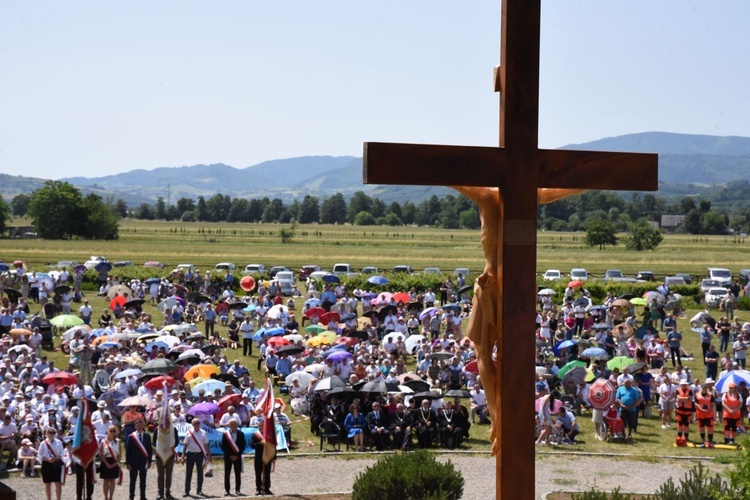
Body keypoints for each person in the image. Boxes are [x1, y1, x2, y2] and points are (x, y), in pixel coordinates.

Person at [181, 418, 211, 497]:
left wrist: (209, 455)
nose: (197, 424)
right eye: (195, 423)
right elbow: (185, 445)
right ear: (192, 424)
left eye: (198, 423)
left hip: (199, 454)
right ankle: (187, 491)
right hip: (190, 454)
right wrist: (183, 455)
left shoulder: (203, 433)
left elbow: (206, 445)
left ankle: (199, 490)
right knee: (188, 473)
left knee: (200, 473)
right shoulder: (189, 433)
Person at [125, 419, 152, 500]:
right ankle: (131, 496)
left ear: (143, 426)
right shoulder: (131, 437)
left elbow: (149, 449)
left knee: (143, 480)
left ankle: (142, 496)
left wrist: (149, 461)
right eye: (138, 425)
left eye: (141, 425)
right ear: (135, 426)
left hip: (143, 462)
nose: (139, 427)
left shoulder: (147, 436)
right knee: (133, 480)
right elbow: (128, 451)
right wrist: (128, 463)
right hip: (133, 462)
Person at [152, 419, 179, 500]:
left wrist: (170, 447)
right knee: (160, 475)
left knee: (169, 475)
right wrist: (161, 446)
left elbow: (176, 441)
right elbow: (153, 442)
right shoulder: (157, 429)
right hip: (160, 455)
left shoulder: (173, 429)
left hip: (169, 455)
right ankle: (160, 493)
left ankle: (168, 492)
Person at [220, 419, 246, 496]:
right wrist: (230, 455)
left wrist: (237, 455)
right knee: (227, 474)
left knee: (237, 474)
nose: (233, 425)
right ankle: (227, 490)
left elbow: (243, 446)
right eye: (231, 424)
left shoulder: (241, 434)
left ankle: (237, 490)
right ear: (229, 425)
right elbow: (223, 446)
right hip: (228, 457)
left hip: (237, 457)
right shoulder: (225, 434)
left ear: (237, 424)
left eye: (234, 424)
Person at [38, 427, 64, 500]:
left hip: (56, 463)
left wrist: (56, 458)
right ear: (46, 434)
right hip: (47, 464)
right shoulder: (43, 443)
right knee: (47, 483)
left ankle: (58, 499)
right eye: (50, 432)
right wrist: (48, 459)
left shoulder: (59, 442)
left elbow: (62, 453)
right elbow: (39, 455)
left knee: (58, 483)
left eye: (53, 433)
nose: (52, 434)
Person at [99, 425, 122, 500]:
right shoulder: (103, 441)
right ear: (107, 431)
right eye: (111, 431)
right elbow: (101, 454)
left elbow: (119, 454)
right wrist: (107, 464)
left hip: (114, 461)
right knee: (106, 480)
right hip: (106, 461)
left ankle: (111, 497)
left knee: (112, 480)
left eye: (114, 431)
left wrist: (117, 462)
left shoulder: (118, 441)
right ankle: (105, 497)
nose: (112, 432)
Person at [250, 427, 273, 496]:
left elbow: (272, 445)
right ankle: (258, 489)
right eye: (260, 426)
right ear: (258, 427)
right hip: (258, 457)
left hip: (267, 456)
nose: (262, 427)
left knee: (267, 474)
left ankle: (267, 489)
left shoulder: (268, 435)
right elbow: (252, 445)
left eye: (263, 426)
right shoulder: (254, 435)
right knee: (258, 474)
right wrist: (260, 443)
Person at [695, 379, 717, 447]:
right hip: (700, 413)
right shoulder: (697, 395)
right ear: (701, 389)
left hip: (709, 414)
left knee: (710, 427)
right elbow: (696, 403)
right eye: (703, 388)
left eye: (705, 389)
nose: (704, 390)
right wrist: (701, 408)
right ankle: (703, 439)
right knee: (701, 427)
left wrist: (709, 409)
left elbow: (713, 403)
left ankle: (710, 440)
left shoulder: (710, 395)